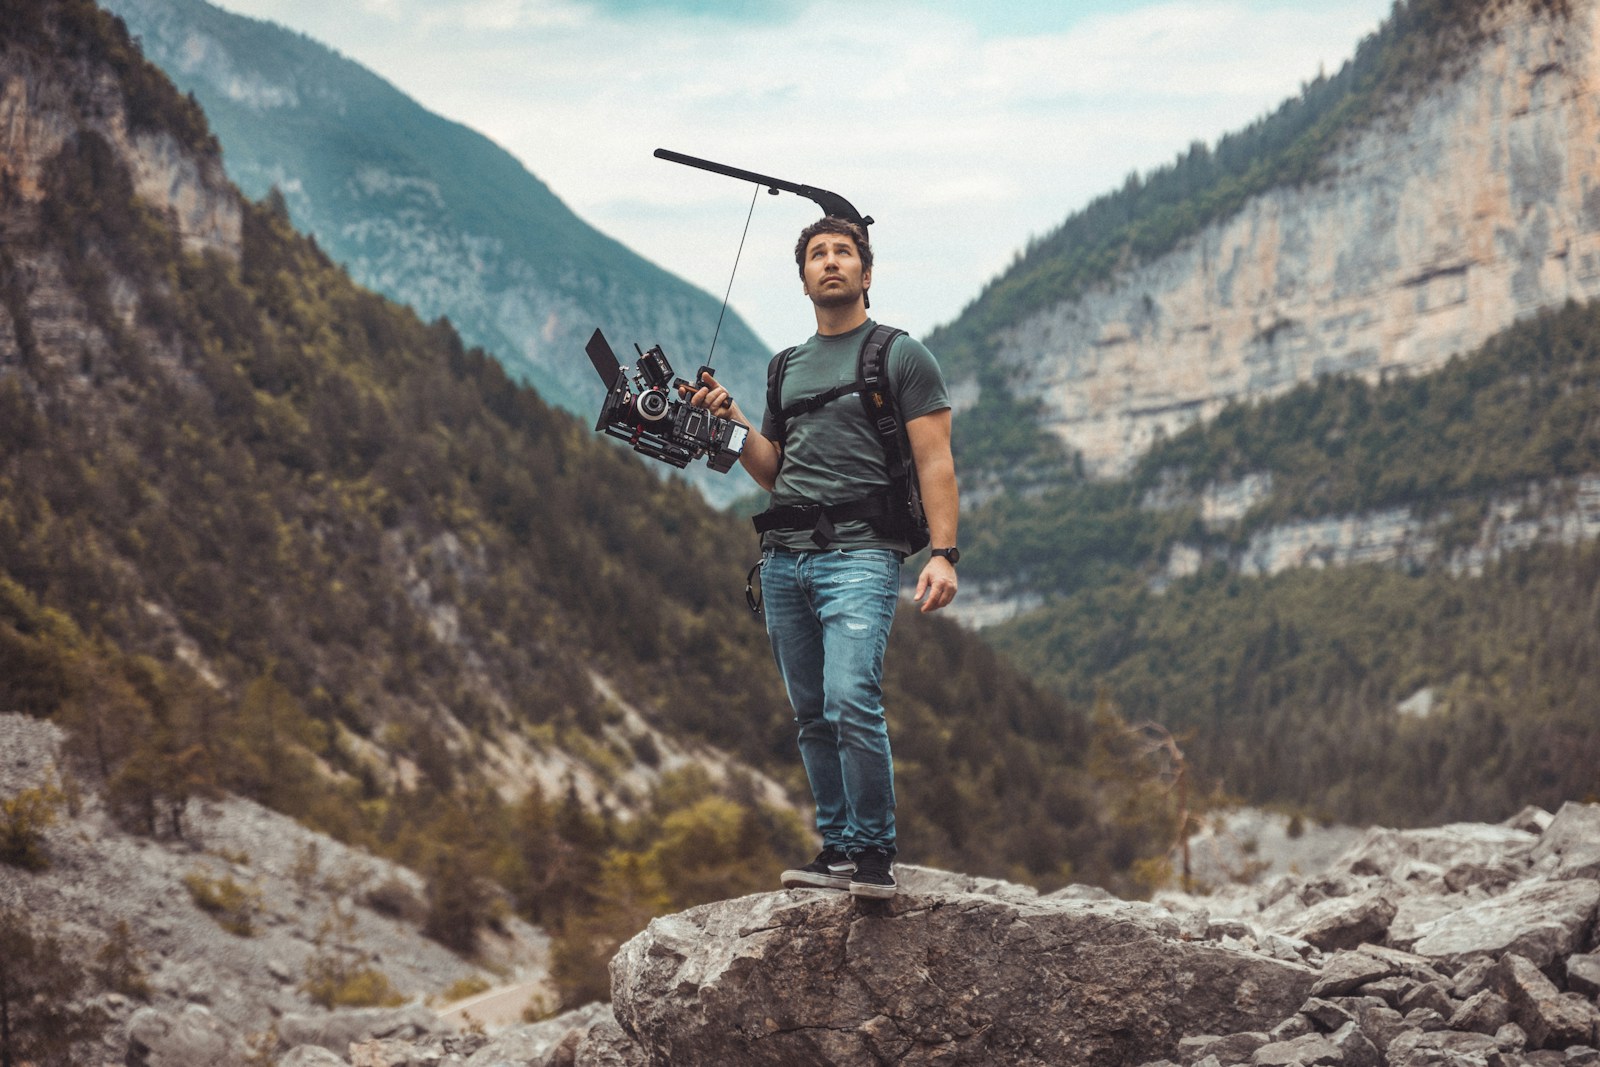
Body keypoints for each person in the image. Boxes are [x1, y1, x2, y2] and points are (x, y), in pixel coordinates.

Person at [684, 216, 959, 899]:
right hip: (784, 558)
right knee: (811, 711)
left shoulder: (900, 355)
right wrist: (736, 422)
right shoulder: (786, 367)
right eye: (816, 254)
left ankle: (873, 854)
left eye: (843, 253)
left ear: (866, 274)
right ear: (803, 277)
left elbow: (937, 461)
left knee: (850, 699)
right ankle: (835, 846)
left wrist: (945, 553)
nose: (830, 262)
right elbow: (775, 471)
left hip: (863, 555)